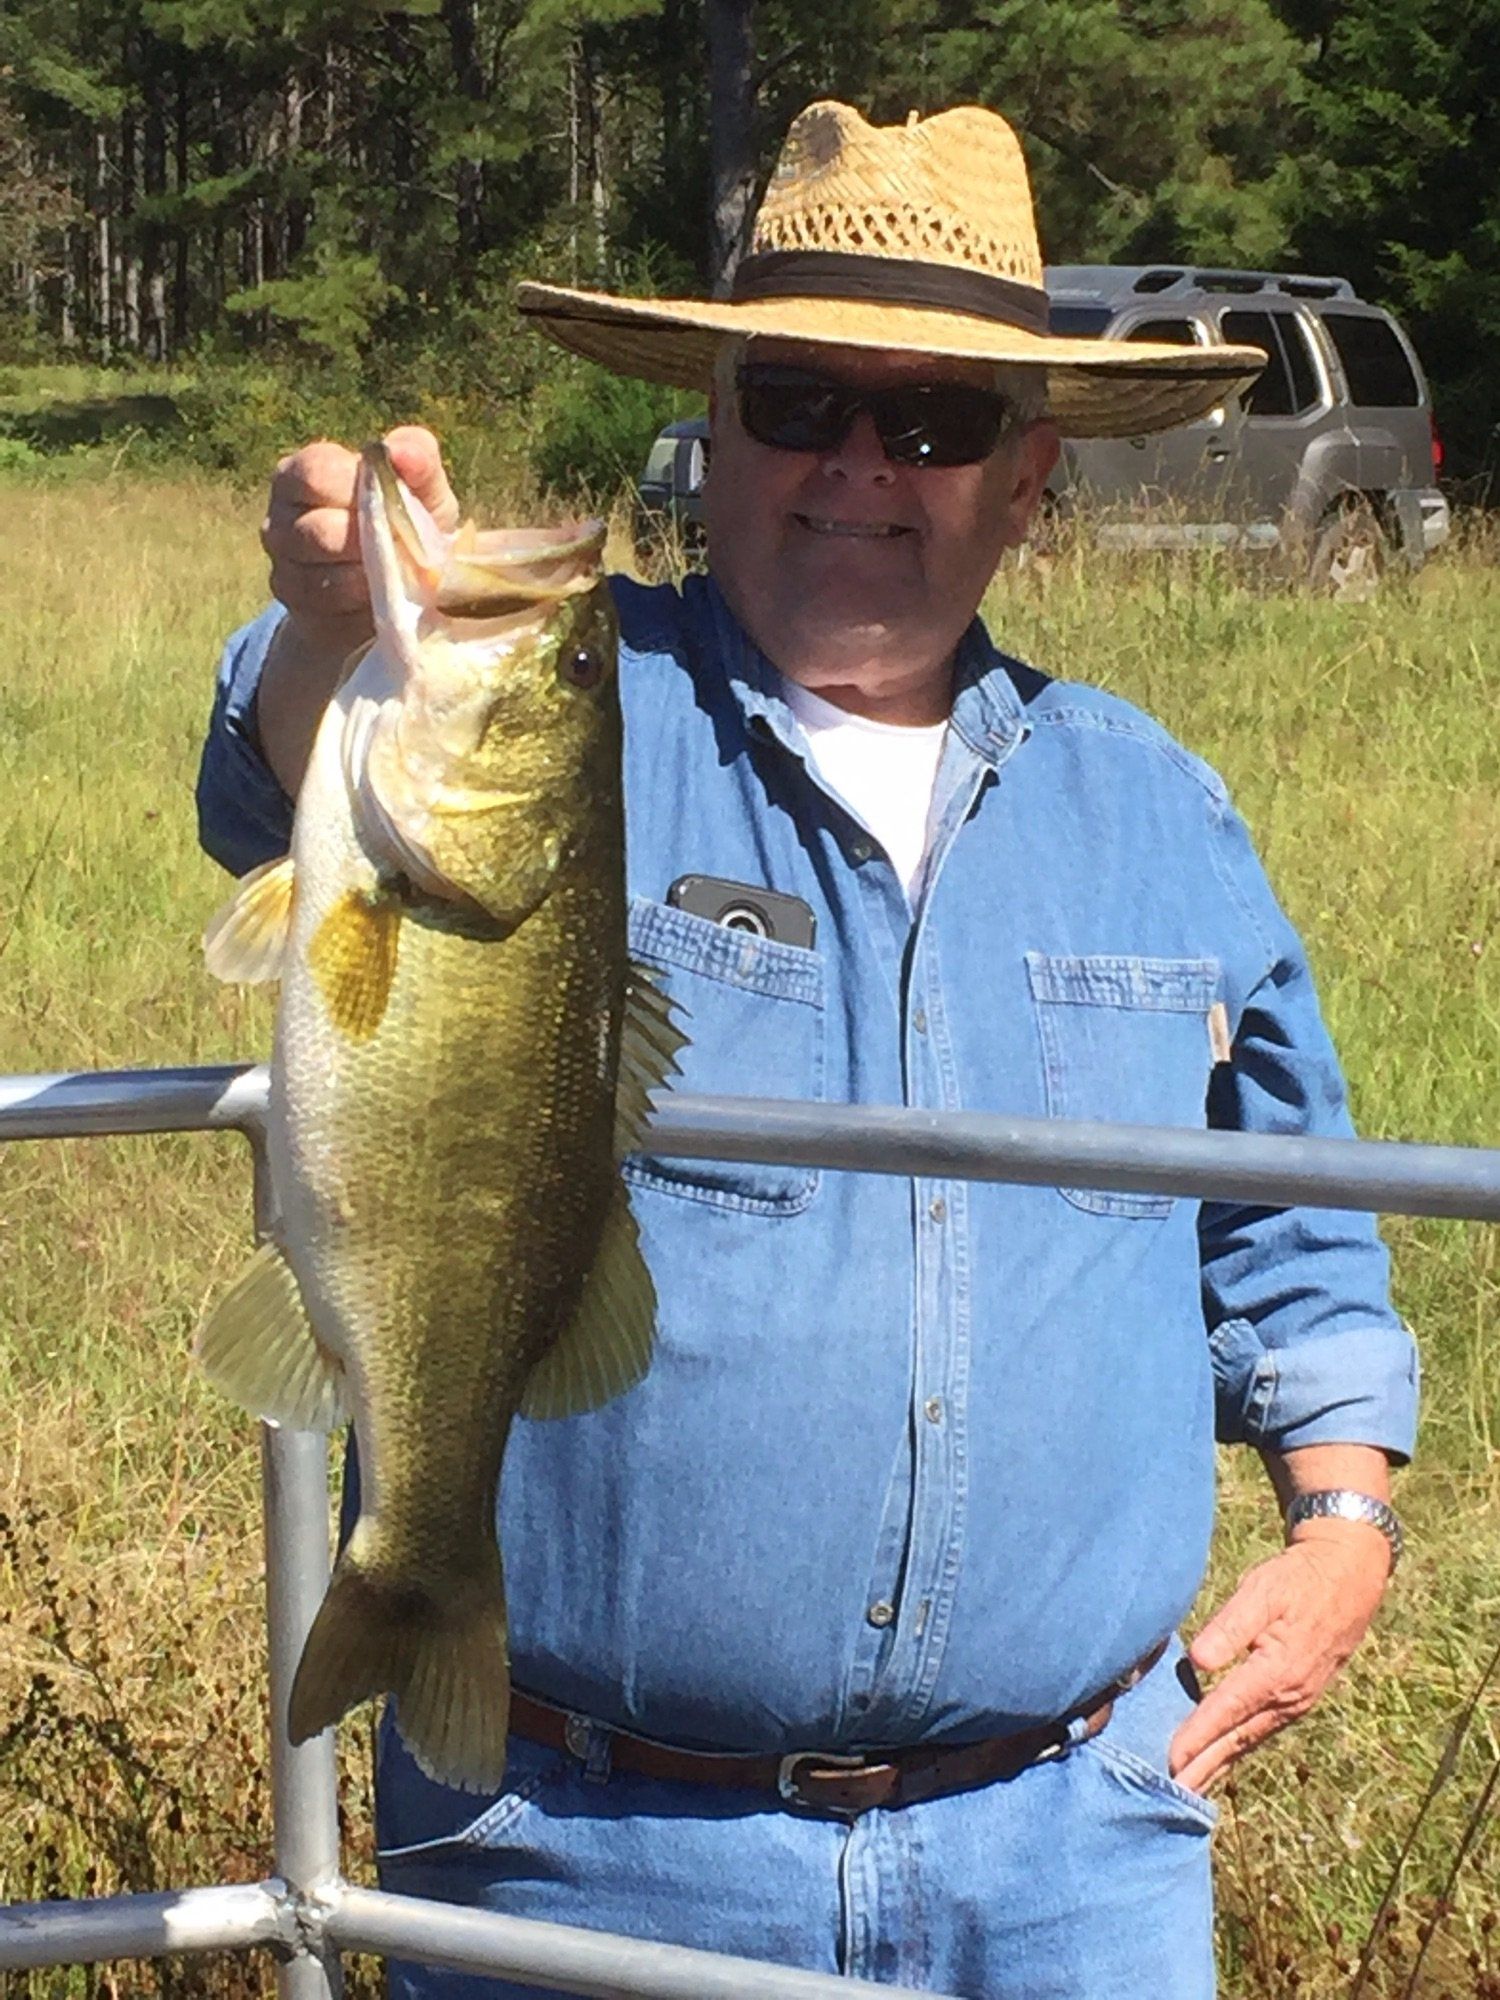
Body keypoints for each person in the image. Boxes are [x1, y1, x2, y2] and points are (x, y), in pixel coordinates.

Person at [197, 101, 1416, 2000]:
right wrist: (323, 613)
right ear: (717, 433)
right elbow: (288, 768)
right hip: (583, 1854)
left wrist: (1344, 1518)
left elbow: (1292, 1221)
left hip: (1076, 1857)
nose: (859, 463)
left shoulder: (1161, 809)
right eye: (796, 401)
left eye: (928, 421)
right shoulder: (571, 696)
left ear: (1027, 477)